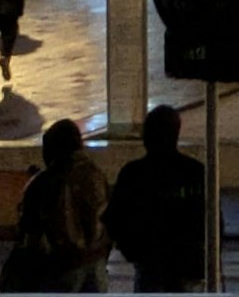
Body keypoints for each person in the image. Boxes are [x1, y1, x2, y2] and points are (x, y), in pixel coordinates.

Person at [106, 106, 204, 293]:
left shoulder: (134, 173)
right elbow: (213, 219)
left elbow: (115, 219)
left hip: (149, 262)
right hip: (188, 264)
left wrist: (131, 250)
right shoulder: (195, 172)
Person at [13, 118, 112, 293]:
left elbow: (29, 232)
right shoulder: (97, 175)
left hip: (60, 267)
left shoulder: (44, 181)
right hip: (96, 263)